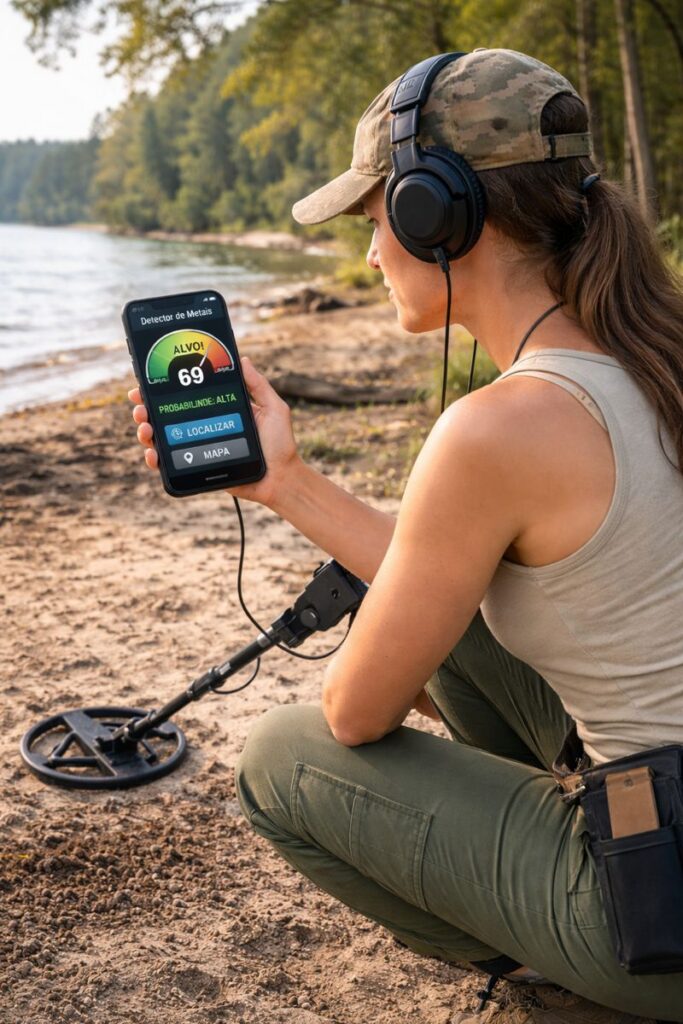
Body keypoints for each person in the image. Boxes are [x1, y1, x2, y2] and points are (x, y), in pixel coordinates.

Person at [129, 48, 683, 1021]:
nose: (370, 250)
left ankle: (571, 969)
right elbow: (436, 568)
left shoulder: (498, 429)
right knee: (452, 608)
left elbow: (353, 713)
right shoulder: (643, 349)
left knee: (281, 757)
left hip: (662, 914)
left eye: (372, 216)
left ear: (436, 213)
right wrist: (283, 481)